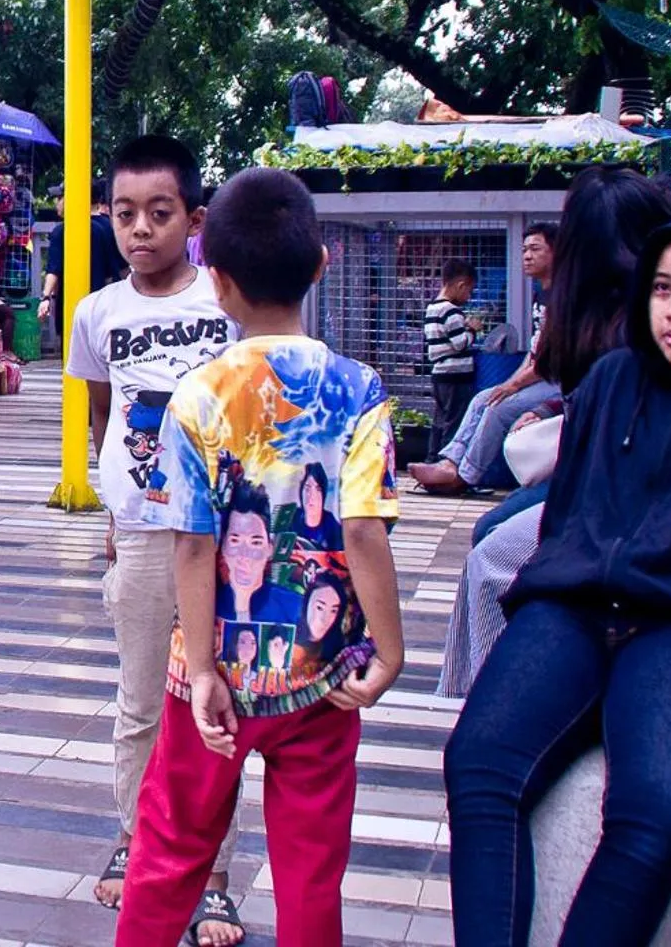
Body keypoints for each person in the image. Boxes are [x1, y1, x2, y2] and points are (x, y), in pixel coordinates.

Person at [444, 211, 671, 946]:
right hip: (577, 604)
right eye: (662, 288)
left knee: (654, 809)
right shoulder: (615, 379)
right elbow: (571, 515)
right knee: (478, 767)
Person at [118, 168, 403, 947]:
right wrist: (390, 649)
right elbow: (365, 529)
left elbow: (193, 540)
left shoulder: (199, 395)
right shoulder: (360, 389)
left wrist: (206, 668)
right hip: (324, 676)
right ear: (321, 264)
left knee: (170, 848)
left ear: (217, 282)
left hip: (211, 684)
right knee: (311, 869)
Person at [64, 135, 241, 940]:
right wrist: (111, 509)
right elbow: (104, 416)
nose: (140, 230)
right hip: (140, 532)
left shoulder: (226, 304)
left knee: (216, 706)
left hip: (226, 537)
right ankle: (137, 840)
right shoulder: (96, 313)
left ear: (194, 219)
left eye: (159, 214)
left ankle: (215, 876)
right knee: (140, 702)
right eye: (125, 214)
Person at [434, 166, 671, 696]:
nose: (528, 252)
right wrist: (548, 415)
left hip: (629, 498)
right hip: (587, 470)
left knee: (492, 557)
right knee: (487, 421)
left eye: (539, 243)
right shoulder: (582, 312)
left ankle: (488, 697)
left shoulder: (641, 316)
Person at [411, 225, 559, 495]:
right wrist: (511, 383)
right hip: (537, 374)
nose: (526, 255)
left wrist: (512, 387)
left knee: (498, 408)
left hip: (561, 381)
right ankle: (449, 462)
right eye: (524, 249)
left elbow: (552, 356)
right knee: (483, 399)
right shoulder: (541, 296)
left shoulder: (564, 295)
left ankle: (464, 476)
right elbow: (535, 351)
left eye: (535, 249)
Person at [39, 183, 129, 332]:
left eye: (60, 197)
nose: (57, 203)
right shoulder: (112, 227)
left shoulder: (63, 231)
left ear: (72, 198)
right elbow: (123, 269)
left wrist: (46, 297)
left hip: (73, 309)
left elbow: (54, 269)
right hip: (109, 306)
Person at [422, 259, 481, 459]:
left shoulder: (432, 308)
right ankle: (446, 462)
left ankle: (431, 459)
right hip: (456, 376)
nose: (468, 296)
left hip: (439, 375)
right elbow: (460, 343)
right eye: (469, 291)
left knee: (439, 420)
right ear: (461, 285)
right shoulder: (452, 311)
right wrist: (472, 329)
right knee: (455, 421)